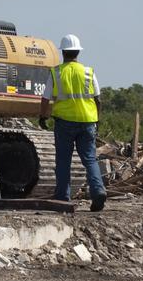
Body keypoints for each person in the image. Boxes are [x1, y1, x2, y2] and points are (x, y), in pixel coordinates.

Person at [38, 34, 106, 211]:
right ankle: (98, 190)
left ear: (63, 53)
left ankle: (62, 197)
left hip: (64, 123)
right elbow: (98, 99)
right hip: (88, 121)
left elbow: (45, 99)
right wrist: (97, 120)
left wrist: (43, 117)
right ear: (77, 52)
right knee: (90, 159)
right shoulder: (88, 72)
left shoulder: (57, 72)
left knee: (63, 160)